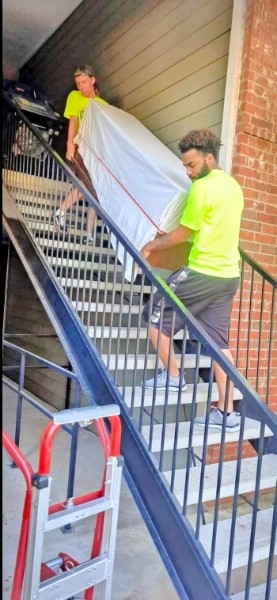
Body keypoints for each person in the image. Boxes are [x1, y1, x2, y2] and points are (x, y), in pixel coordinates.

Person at [140, 129, 244, 432]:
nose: (187, 172)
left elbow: (185, 233)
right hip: (229, 276)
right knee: (218, 344)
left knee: (154, 316)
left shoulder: (203, 188)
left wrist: (153, 245)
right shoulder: (233, 186)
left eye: (191, 165)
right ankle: (227, 413)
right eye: (185, 166)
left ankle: (172, 378)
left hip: (203, 271)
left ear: (208, 158)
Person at [52, 64, 108, 243]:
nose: (81, 86)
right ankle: (61, 212)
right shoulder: (74, 97)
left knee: (89, 188)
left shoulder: (103, 105)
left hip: (95, 154)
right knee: (88, 187)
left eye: (84, 82)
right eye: (78, 83)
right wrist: (70, 144)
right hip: (80, 149)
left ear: (93, 80)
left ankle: (65, 215)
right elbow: (74, 121)